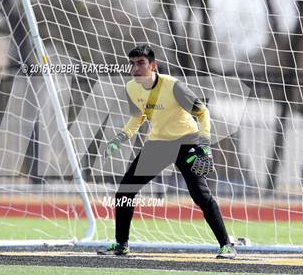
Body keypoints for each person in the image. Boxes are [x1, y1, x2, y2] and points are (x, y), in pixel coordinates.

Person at [97, 44, 237, 259]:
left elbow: (202, 112)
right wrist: (120, 138)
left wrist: (204, 144)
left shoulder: (173, 86)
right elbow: (138, 117)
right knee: (124, 192)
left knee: (200, 194)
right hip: (158, 144)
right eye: (132, 63)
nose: (135, 68)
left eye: (141, 63)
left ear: (153, 66)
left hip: (186, 142)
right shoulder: (131, 88)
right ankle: (121, 245)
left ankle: (226, 245)